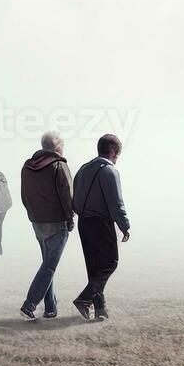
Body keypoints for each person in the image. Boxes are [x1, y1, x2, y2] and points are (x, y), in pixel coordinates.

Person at [70, 133, 131, 321]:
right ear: (113, 152)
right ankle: (83, 299)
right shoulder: (109, 171)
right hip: (101, 223)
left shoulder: (82, 169)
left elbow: (75, 200)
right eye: (117, 154)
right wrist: (124, 225)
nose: (117, 158)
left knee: (94, 268)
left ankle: (100, 310)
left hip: (84, 222)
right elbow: (116, 202)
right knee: (110, 263)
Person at [19, 131, 74, 321]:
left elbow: (24, 197)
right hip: (57, 223)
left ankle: (51, 307)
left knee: (47, 264)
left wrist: (33, 216)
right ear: (58, 147)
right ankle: (29, 305)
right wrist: (70, 219)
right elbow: (68, 197)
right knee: (50, 266)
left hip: (37, 223)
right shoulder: (59, 165)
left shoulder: (26, 167)